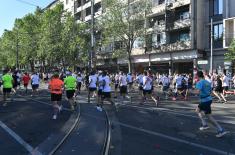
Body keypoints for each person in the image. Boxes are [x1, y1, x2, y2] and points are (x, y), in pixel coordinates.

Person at [195, 71, 227, 138]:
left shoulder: (199, 82)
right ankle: (205, 125)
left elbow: (197, 92)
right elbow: (210, 91)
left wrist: (194, 91)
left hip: (204, 100)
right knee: (198, 110)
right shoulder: (207, 82)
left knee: (209, 117)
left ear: (198, 76)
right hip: (208, 99)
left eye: (196, 76)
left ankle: (221, 130)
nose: (195, 77)